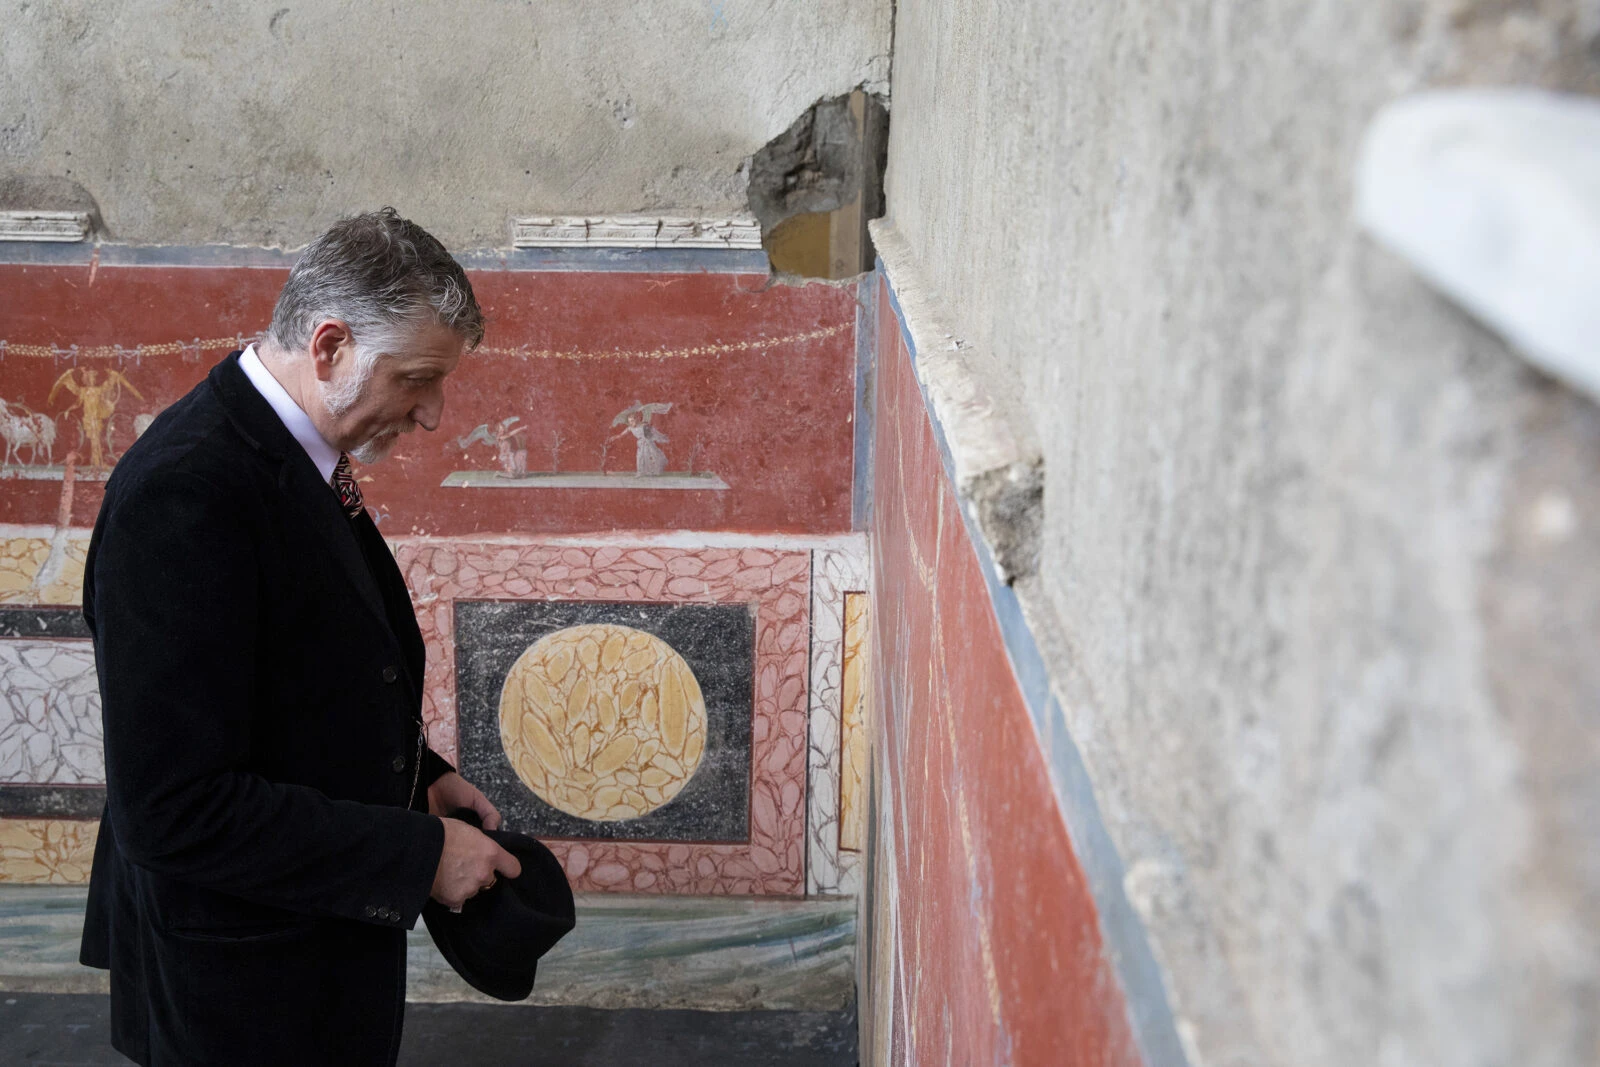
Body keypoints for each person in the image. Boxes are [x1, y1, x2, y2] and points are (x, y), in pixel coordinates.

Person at [78, 209, 522, 1065]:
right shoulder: (186, 495)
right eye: (419, 378)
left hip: (299, 955)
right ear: (328, 346)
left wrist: (417, 782)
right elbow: (173, 809)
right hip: (236, 985)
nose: (432, 415)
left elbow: (296, 676)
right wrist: (415, 855)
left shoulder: (283, 453)